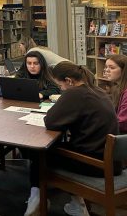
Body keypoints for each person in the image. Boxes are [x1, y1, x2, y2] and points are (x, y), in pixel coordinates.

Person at [24, 62, 120, 216]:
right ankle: (77, 203)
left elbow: (51, 121)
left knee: (38, 152)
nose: (61, 89)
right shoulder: (97, 90)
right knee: (58, 147)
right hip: (112, 160)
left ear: (69, 81)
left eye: (60, 85)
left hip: (95, 164)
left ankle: (36, 198)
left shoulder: (75, 94)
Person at [103, 54, 127, 133]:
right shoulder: (116, 88)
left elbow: (122, 123)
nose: (106, 70)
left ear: (123, 70)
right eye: (106, 67)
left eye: (112, 68)